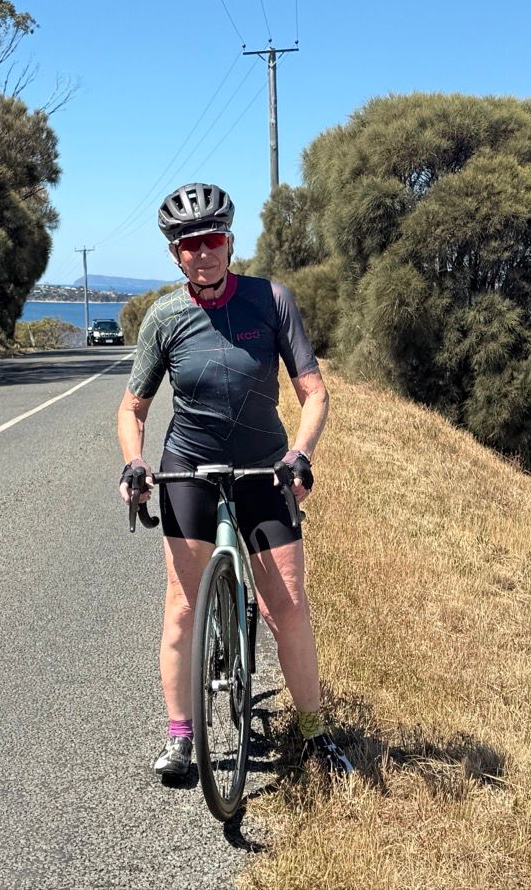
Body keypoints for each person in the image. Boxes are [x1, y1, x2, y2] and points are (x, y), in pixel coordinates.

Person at [116, 180, 353, 780]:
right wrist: (135, 463)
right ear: (176, 254)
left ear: (229, 241)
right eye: (190, 243)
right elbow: (133, 408)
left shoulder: (271, 300)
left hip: (264, 469)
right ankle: (180, 738)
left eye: (213, 239)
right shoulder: (164, 317)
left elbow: (314, 393)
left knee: (286, 608)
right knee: (181, 607)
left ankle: (314, 732)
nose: (203, 252)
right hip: (188, 469)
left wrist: (301, 454)